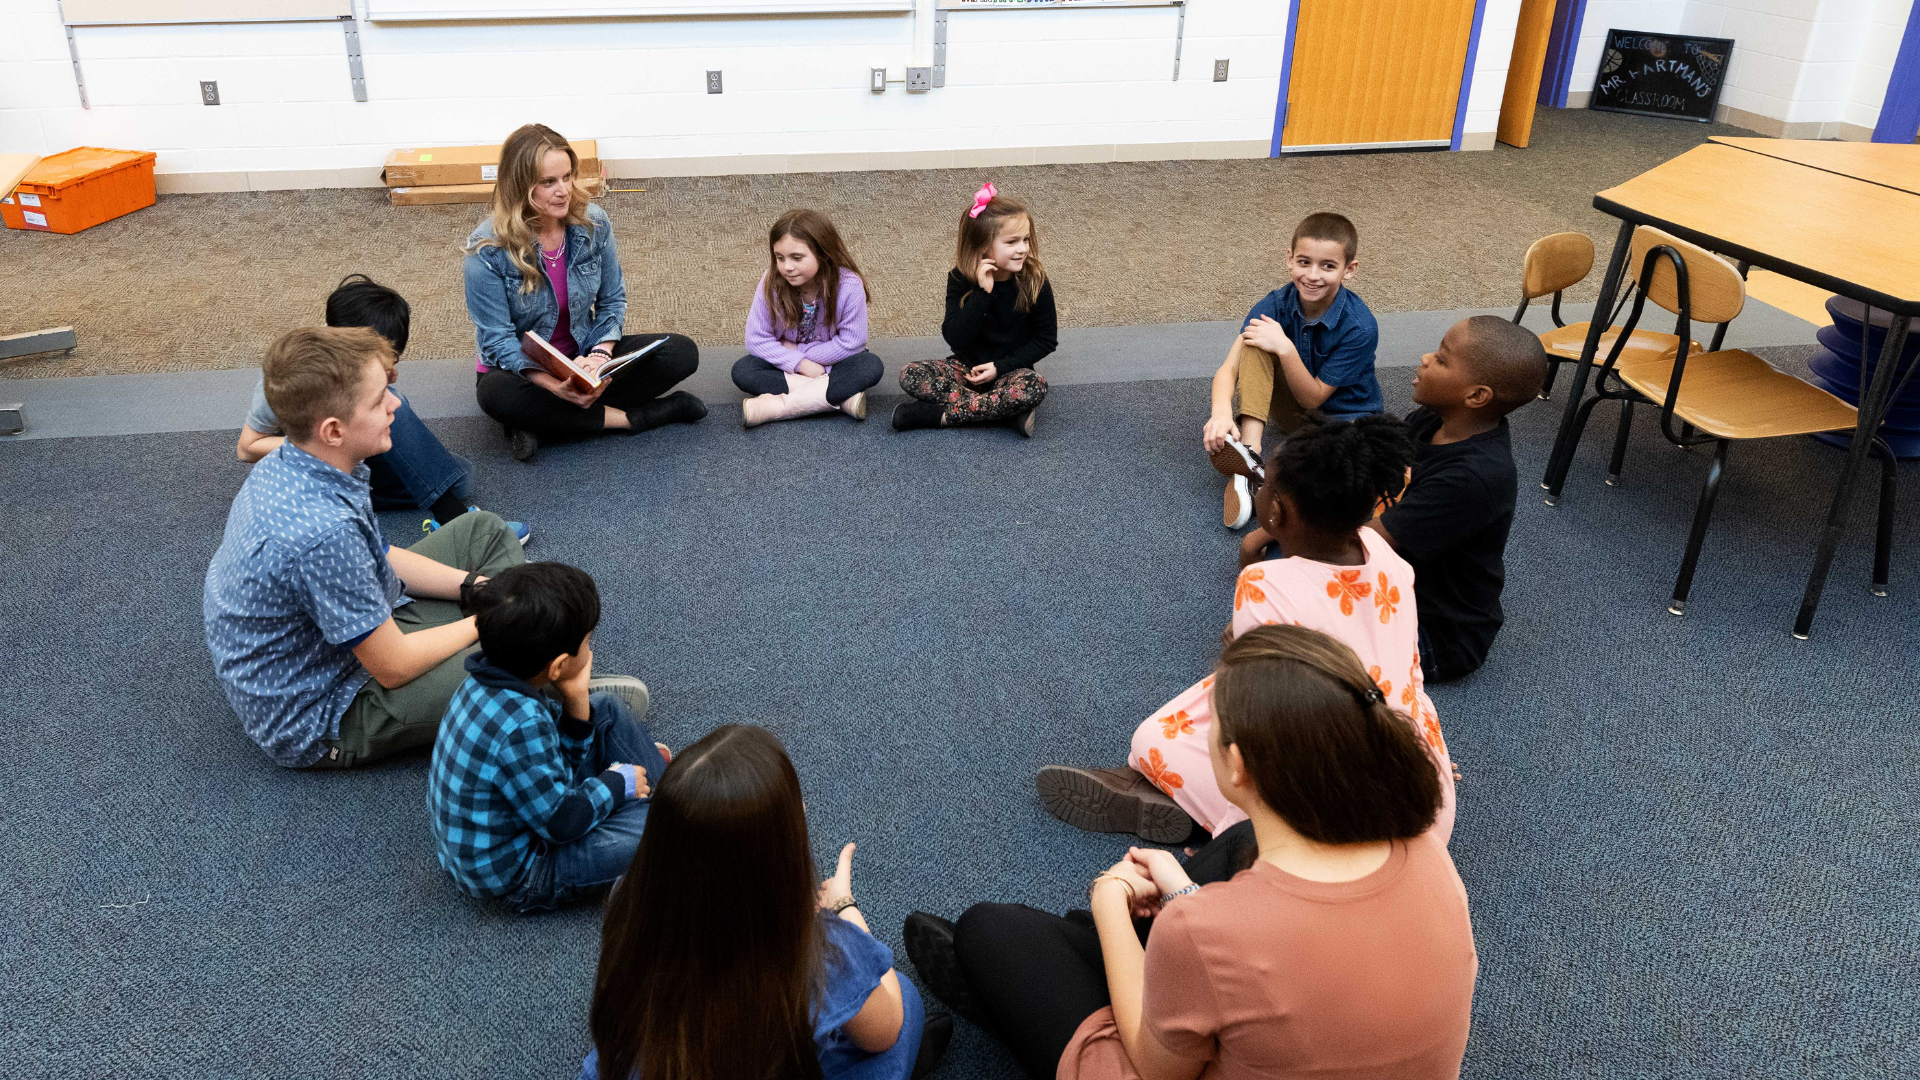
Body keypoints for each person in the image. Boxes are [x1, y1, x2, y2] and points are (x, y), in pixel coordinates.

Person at [903, 624, 1477, 1080]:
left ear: (1236, 763)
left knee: (990, 930)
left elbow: (1157, 1069)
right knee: (1244, 843)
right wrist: (1182, 894)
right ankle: (1087, 965)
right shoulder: (1429, 854)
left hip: (1179, 1021)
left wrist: (1110, 902)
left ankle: (1037, 982)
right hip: (1243, 969)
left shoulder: (1209, 931)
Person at [1036, 414, 1454, 845]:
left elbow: (1261, 712)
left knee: (1152, 740)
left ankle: (1235, 832)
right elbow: (1409, 669)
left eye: (1263, 484)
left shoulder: (1268, 585)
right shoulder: (1389, 559)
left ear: (1274, 510)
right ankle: (1177, 801)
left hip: (1339, 804)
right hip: (1425, 793)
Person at [206, 326, 527, 768]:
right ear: (334, 430)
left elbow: (377, 552)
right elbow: (393, 666)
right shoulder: (322, 533)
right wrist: (498, 615)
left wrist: (476, 589)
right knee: (516, 651)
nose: (395, 404)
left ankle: (528, 656)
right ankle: (556, 690)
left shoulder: (299, 459)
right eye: (379, 401)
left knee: (485, 531)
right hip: (331, 712)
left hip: (349, 642)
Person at [579, 724, 951, 1080]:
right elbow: (885, 1030)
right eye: (796, 806)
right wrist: (844, 908)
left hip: (654, 1062)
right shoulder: (820, 950)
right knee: (902, 997)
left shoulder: (626, 900)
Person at [1238, 316, 1547, 682]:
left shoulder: (1474, 478)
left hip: (1435, 636)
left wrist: (1272, 529)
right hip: (1395, 579)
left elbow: (1366, 542)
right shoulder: (1432, 420)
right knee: (1277, 573)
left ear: (1476, 396)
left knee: (1277, 629)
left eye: (1443, 360)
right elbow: (1367, 468)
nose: (1425, 357)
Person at [428, 561, 669, 912]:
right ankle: (666, 812)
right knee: (655, 829)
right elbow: (560, 823)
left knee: (605, 708)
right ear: (556, 667)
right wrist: (617, 784)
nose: (591, 649)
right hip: (525, 870)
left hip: (531, 808)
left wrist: (574, 697)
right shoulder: (520, 724)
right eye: (587, 642)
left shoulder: (488, 679)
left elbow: (553, 759)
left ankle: (657, 794)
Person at [465, 123, 705, 462]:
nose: (563, 190)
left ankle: (547, 425)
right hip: (521, 372)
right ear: (519, 186)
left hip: (583, 356)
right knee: (495, 396)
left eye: (567, 177)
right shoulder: (486, 249)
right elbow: (497, 341)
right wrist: (554, 384)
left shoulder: (594, 223)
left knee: (680, 353)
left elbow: (612, 302)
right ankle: (634, 418)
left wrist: (599, 356)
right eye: (548, 182)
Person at [237, 274, 530, 544]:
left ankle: (355, 494)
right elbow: (247, 448)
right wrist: (324, 443)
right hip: (310, 463)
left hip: (349, 456)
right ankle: (454, 519)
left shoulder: (357, 372)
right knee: (413, 438)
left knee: (461, 476)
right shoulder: (292, 372)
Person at [1201, 212, 1382, 528]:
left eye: (1328, 266)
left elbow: (1314, 398)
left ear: (1349, 269)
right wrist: (1220, 413)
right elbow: (1229, 369)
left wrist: (1284, 347)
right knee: (1255, 341)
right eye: (1304, 262)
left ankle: (1257, 475)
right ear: (1289, 259)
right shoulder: (1273, 304)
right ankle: (1251, 451)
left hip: (1345, 419)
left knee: (1324, 486)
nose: (1313, 275)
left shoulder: (1360, 326)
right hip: (1295, 414)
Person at [892, 182, 1056, 437]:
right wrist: (983, 294)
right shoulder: (960, 278)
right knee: (910, 374)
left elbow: (1046, 340)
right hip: (965, 370)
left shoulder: (1035, 278)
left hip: (1010, 372)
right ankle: (1003, 412)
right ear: (983, 246)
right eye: (1012, 242)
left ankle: (942, 417)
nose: (1023, 248)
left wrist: (1000, 367)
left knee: (1034, 387)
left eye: (1025, 239)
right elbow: (955, 336)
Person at [734, 209, 884, 427]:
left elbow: (853, 342)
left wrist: (800, 353)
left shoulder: (850, 285)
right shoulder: (771, 281)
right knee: (743, 370)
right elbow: (756, 339)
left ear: (823, 253)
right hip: (790, 365)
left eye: (797, 258)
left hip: (833, 362)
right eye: (779, 257)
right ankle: (841, 400)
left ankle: (778, 407)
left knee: (870, 366)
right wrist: (801, 364)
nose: (787, 267)